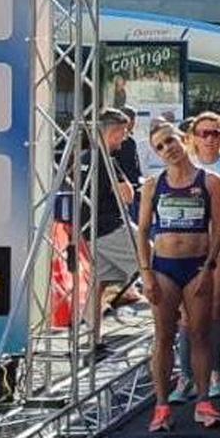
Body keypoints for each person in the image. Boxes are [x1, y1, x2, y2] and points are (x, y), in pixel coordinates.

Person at [136, 122, 220, 431]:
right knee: (163, 337)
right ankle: (162, 406)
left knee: (199, 334)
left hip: (197, 266)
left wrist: (209, 267)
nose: (168, 149)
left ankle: (204, 400)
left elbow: (219, 227)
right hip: (164, 267)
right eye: (160, 146)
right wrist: (146, 273)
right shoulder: (153, 184)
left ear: (183, 140)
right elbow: (144, 230)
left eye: (170, 141)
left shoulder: (210, 181)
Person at [83, 108, 144, 329]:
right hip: (112, 228)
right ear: (114, 132)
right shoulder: (106, 160)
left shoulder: (80, 158)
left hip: (88, 230)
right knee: (155, 262)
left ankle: (92, 337)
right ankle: (172, 324)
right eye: (124, 132)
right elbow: (127, 196)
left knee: (98, 283)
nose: (125, 138)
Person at [188, 113, 220, 178]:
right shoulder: (186, 165)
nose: (210, 139)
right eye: (204, 133)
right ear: (194, 138)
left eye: (215, 134)